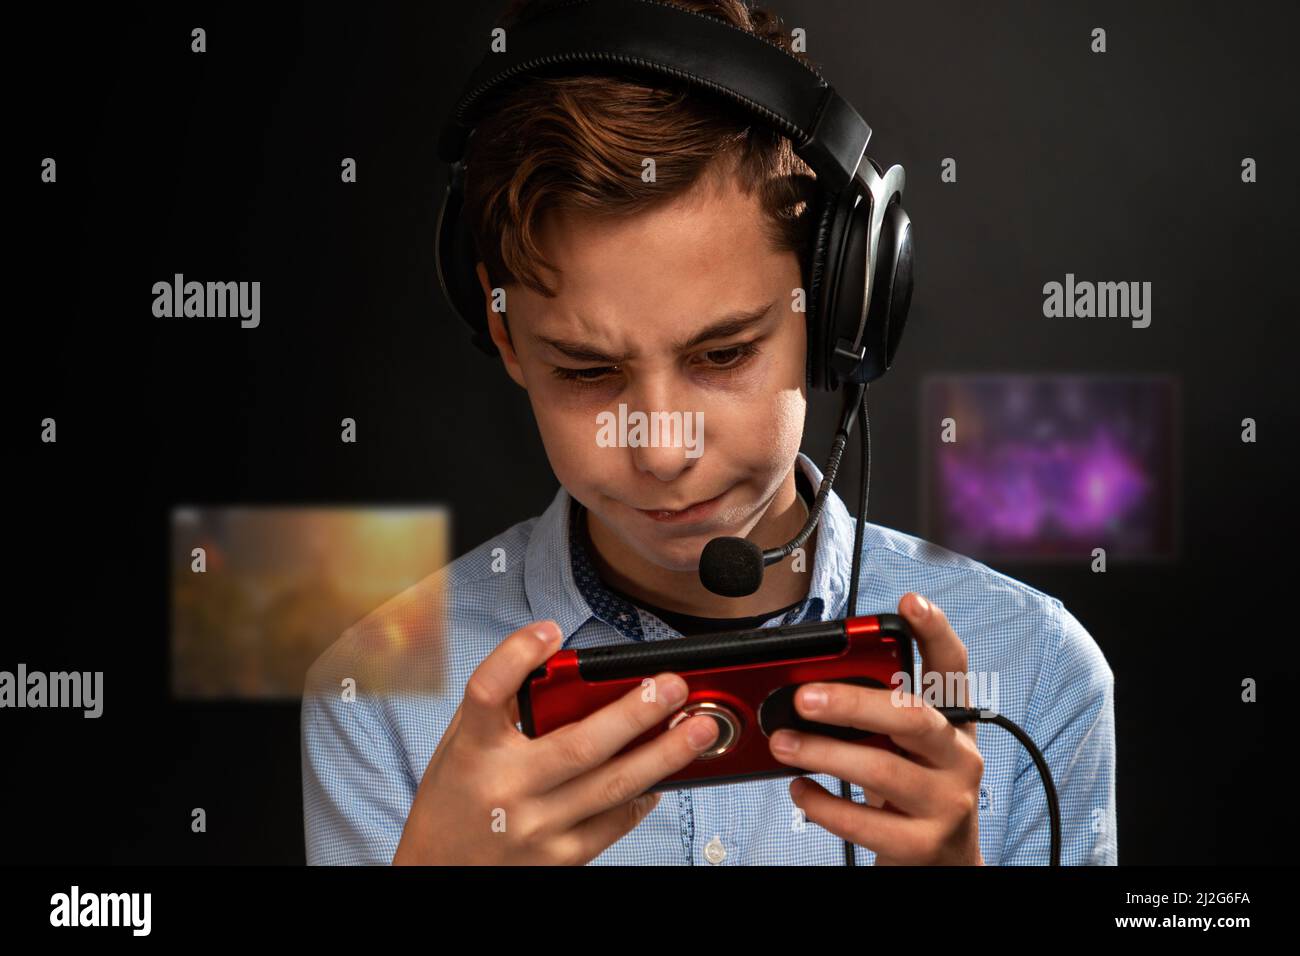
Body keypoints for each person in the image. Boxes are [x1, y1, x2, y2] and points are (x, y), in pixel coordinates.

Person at [301, 0, 1116, 865]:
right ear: (504, 336)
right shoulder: (377, 695)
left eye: (723, 354)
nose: (662, 450)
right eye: (587, 372)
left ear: (842, 314)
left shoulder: (1037, 673)